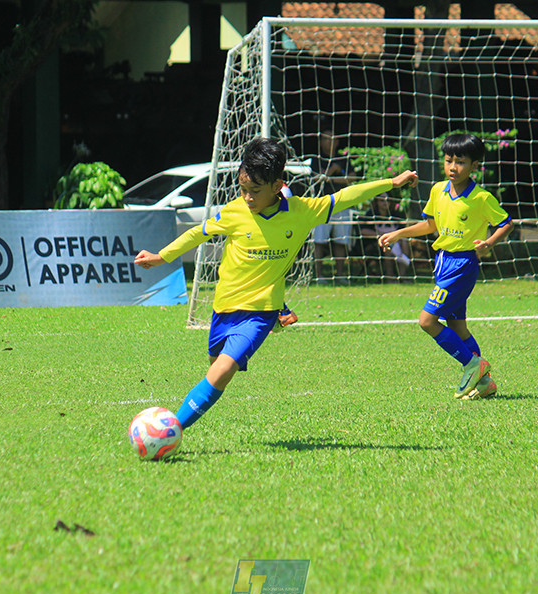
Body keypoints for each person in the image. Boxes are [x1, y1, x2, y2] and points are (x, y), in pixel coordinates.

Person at [134, 137, 418, 431]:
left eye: (255, 191)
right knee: (214, 364)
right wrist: (162, 256)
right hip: (223, 307)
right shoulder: (235, 211)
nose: (247, 198)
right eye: (243, 190)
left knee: (223, 371)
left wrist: (391, 183)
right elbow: (198, 233)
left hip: (259, 313)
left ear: (278, 185)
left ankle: (169, 430)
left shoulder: (302, 212)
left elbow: (346, 196)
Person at [378, 133, 514, 400]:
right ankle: (484, 383)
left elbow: (506, 223)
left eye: (461, 162)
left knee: (427, 321)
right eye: (449, 160)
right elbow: (431, 226)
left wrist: (489, 243)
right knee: (458, 326)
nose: (453, 167)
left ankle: (473, 364)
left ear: (475, 166)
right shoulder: (438, 190)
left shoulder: (481, 197)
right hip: (443, 262)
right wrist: (398, 234)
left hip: (462, 264)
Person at [311, 128, 356, 284]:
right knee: (319, 241)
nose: (329, 142)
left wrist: (329, 178)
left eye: (332, 139)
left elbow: (352, 178)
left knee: (341, 241)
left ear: (337, 142)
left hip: (342, 204)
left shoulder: (343, 159)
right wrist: (333, 171)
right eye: (326, 139)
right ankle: (319, 275)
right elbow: (317, 178)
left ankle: (340, 275)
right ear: (320, 141)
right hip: (322, 205)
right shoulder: (316, 159)